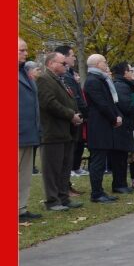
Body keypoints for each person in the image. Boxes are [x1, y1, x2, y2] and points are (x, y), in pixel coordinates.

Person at [36, 52, 84, 211]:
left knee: (64, 167)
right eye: (63, 63)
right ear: (51, 63)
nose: (66, 65)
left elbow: (69, 99)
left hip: (66, 131)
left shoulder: (60, 80)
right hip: (53, 131)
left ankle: (64, 197)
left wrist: (76, 115)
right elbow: (49, 103)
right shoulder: (44, 79)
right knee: (52, 168)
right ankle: (52, 200)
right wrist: (71, 115)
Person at [83, 54, 122, 203]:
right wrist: (114, 117)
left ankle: (99, 191)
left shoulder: (102, 79)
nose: (107, 64)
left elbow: (111, 102)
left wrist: (117, 115)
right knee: (98, 161)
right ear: (98, 64)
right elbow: (101, 104)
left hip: (105, 124)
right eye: (104, 62)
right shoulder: (93, 81)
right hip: (98, 125)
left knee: (101, 159)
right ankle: (96, 193)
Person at [54, 45, 89, 178]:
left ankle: (73, 171)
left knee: (77, 144)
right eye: (72, 55)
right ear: (64, 57)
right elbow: (74, 97)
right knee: (72, 147)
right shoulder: (65, 77)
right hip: (72, 116)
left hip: (76, 115)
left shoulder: (69, 75)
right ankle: (71, 171)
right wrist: (83, 111)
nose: (74, 57)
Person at [18, 37, 42, 221]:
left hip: (28, 132)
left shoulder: (24, 73)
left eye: (25, 50)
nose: (26, 54)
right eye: (21, 50)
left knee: (25, 174)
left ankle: (21, 208)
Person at [112, 62, 134, 193]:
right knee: (119, 157)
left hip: (126, 126)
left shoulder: (125, 85)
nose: (132, 72)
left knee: (123, 156)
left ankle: (122, 183)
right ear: (125, 72)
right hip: (122, 127)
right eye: (130, 70)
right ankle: (119, 184)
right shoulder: (121, 86)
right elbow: (127, 107)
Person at [24, 61, 42, 175]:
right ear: (29, 70)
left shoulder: (36, 82)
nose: (39, 72)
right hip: (28, 121)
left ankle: (31, 166)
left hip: (36, 120)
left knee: (34, 145)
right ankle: (29, 167)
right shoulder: (27, 83)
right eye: (37, 70)